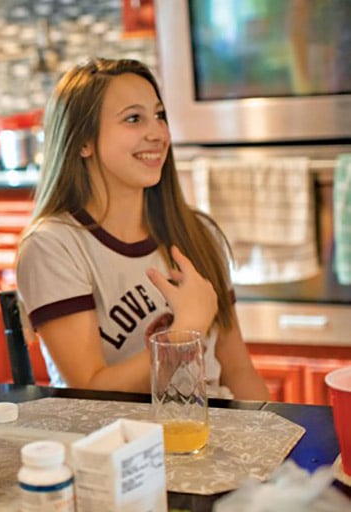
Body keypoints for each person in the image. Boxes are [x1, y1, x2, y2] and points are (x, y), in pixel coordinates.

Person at [16, 58, 269, 401]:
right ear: (83, 142)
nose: (158, 133)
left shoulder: (197, 232)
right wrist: (184, 332)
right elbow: (88, 389)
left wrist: (267, 440)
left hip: (215, 432)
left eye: (160, 115)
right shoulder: (53, 246)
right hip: (117, 444)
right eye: (134, 119)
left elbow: (239, 371)